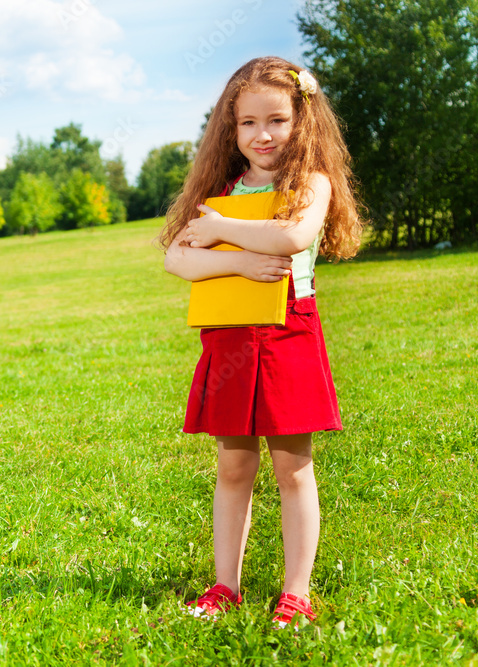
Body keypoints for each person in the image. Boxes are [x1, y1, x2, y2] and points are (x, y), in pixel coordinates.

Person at [159, 56, 365, 629]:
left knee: (293, 468)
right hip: (230, 339)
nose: (263, 134)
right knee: (233, 465)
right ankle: (226, 584)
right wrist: (243, 262)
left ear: (303, 119)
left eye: (276, 119)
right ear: (232, 128)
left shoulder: (309, 184)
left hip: (288, 333)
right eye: (248, 123)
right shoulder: (221, 188)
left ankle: (295, 593)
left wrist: (223, 232)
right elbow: (178, 256)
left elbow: (294, 234)